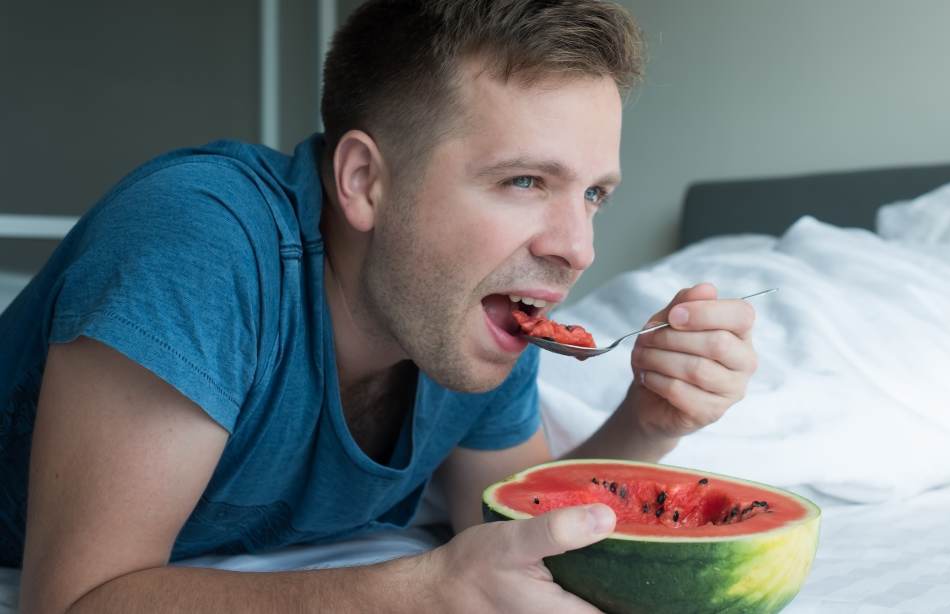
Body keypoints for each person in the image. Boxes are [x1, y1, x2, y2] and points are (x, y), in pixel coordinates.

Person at [0, 1, 757, 611]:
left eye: (593, 194)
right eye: (524, 182)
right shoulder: (198, 239)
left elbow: (519, 537)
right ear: (363, 180)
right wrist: (419, 592)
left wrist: (647, 425)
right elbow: (75, 601)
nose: (578, 249)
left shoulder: (468, 313)